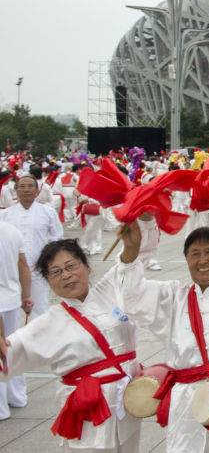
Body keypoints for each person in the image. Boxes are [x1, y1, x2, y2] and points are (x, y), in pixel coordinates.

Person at [116, 199, 209, 453]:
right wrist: (131, 251)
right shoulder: (173, 296)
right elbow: (131, 297)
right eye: (195, 254)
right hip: (188, 400)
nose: (202, 260)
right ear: (186, 259)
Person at [0, 237, 141, 451]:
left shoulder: (110, 291)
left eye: (70, 266)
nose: (65, 275)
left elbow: (128, 262)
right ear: (49, 282)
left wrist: (136, 235)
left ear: (86, 267)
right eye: (55, 272)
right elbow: (9, 355)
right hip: (88, 413)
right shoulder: (49, 322)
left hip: (127, 407)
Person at [0, 174, 63, 319]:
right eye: (22, 186)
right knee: (8, 311)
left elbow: (57, 239)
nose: (26, 190)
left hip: (37, 268)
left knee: (39, 311)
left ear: (37, 190)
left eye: (30, 186)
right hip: (10, 271)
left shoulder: (48, 212)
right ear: (16, 190)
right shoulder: (6, 215)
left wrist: (50, 262)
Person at [0, 220, 26, 420]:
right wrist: (27, 295)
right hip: (10, 298)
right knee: (11, 348)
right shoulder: (12, 230)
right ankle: (17, 397)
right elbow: (23, 266)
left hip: (7, 298)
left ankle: (1, 407)